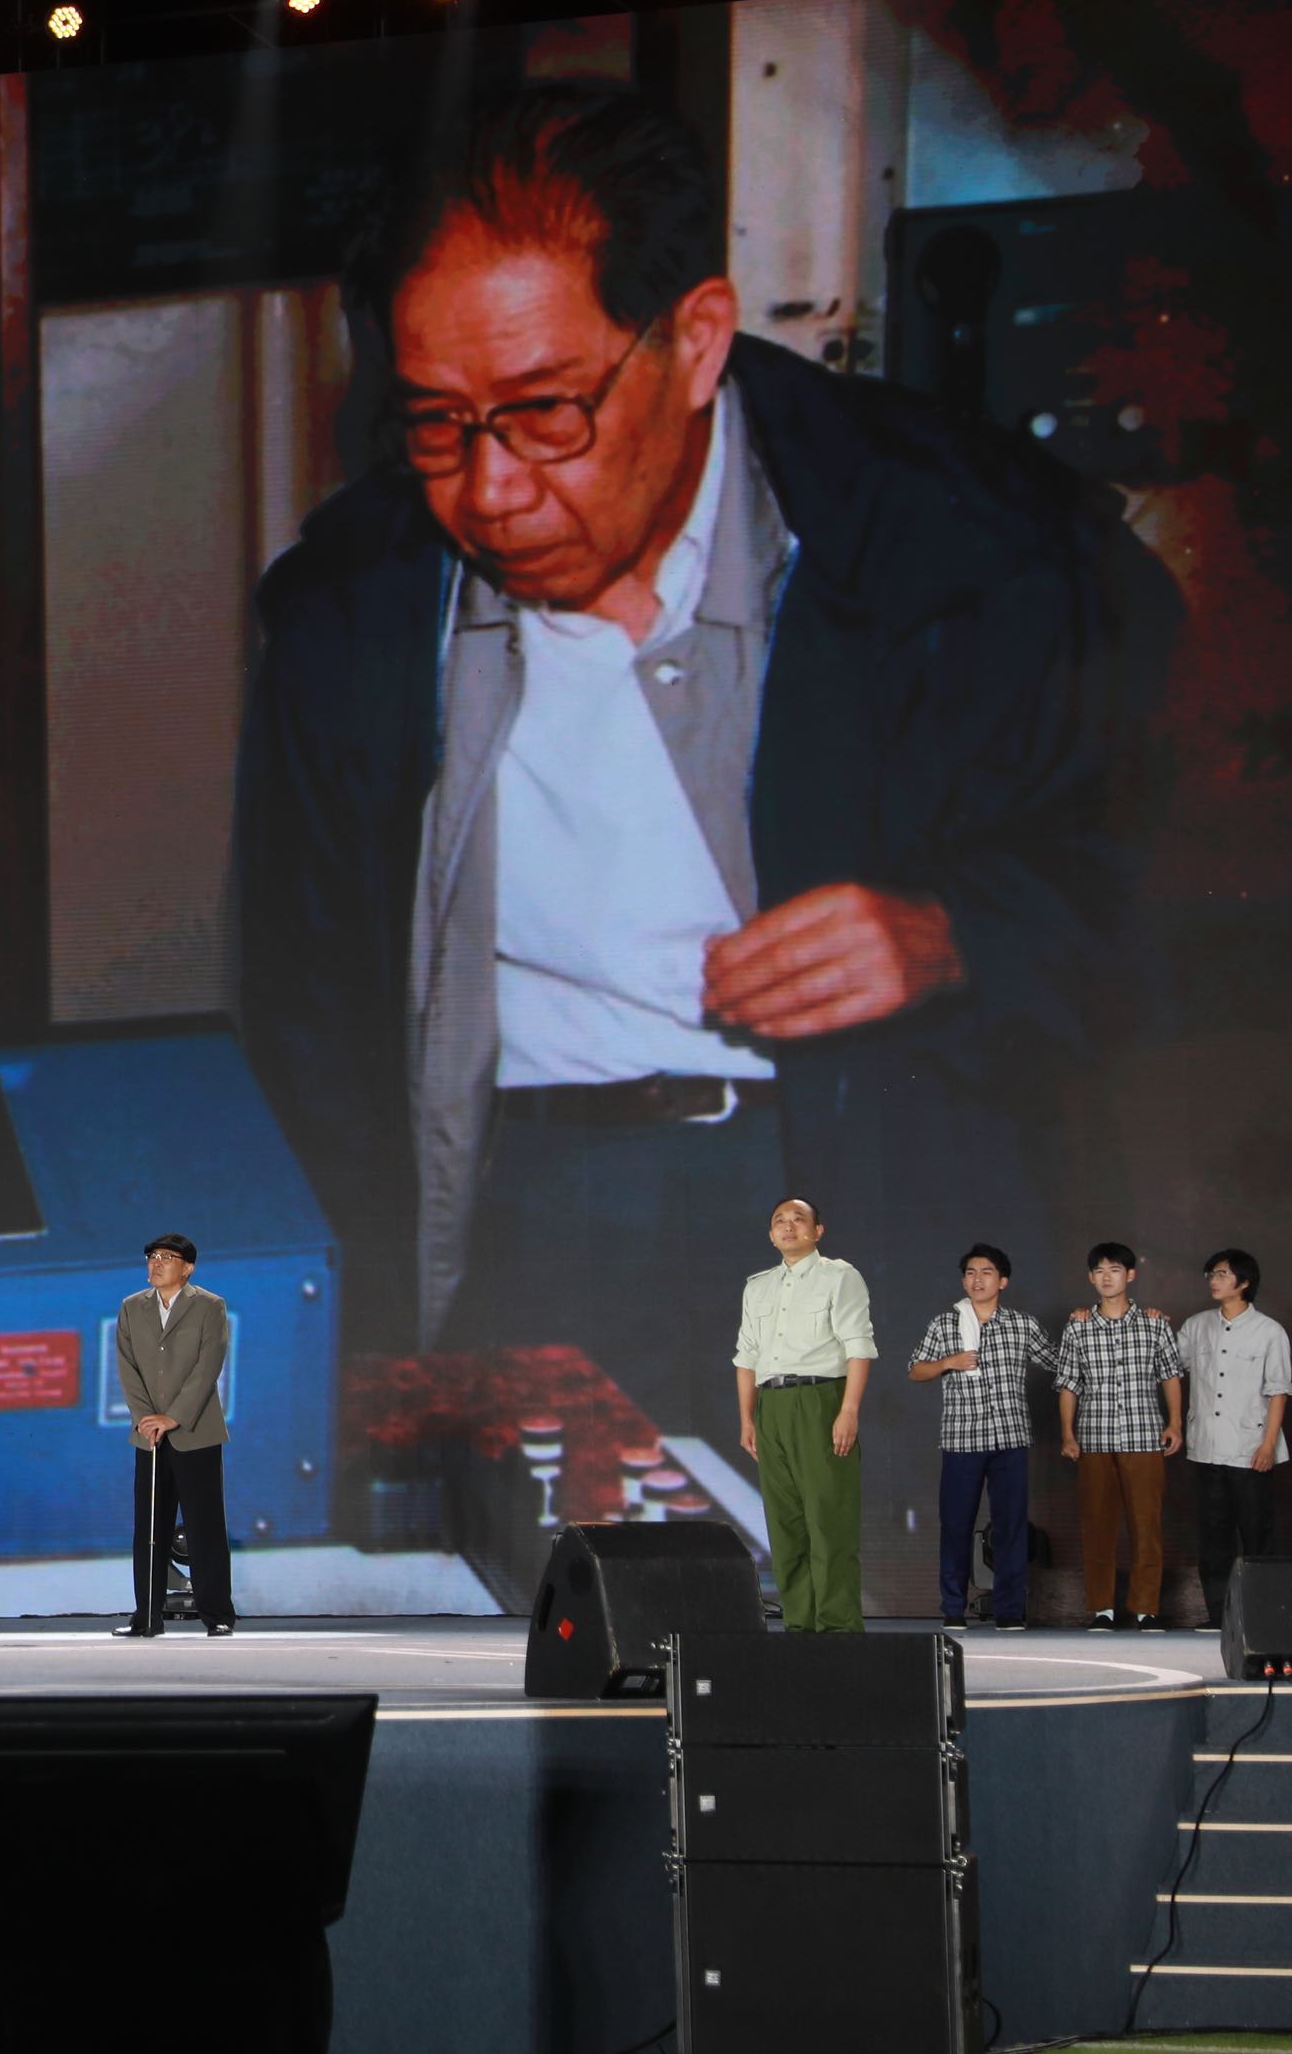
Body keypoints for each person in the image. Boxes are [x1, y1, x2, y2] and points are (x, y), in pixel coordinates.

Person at [237, 84, 1171, 1462]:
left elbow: (1161, 892)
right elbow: (307, 1015)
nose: (489, 491)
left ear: (695, 340)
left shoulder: (961, 543)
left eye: (546, 412)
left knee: (864, 1578)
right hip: (525, 1195)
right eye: (435, 422)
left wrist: (954, 933)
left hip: (854, 1177)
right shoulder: (354, 607)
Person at [733, 1198, 875, 1633]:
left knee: (828, 1520)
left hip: (820, 1400)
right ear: (770, 1235)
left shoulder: (839, 1276)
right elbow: (746, 1357)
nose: (788, 1226)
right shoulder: (758, 1286)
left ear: (818, 1231)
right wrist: (747, 1419)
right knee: (785, 1524)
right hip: (771, 1405)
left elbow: (858, 1346)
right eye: (779, 1221)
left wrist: (848, 1410)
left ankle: (838, 1628)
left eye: (799, 1220)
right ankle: (800, 1626)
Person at [905, 1246, 1056, 1629]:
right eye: (971, 1272)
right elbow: (915, 1370)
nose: (977, 1279)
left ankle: (1009, 1611)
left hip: (1010, 1438)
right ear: (963, 1280)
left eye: (986, 1272)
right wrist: (948, 1363)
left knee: (1011, 1526)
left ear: (1002, 1281)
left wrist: (1086, 1321)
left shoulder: (1022, 1324)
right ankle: (953, 1608)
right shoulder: (945, 1324)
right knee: (956, 1525)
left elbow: (1059, 1362)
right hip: (962, 1440)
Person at [1055, 1242, 1186, 1630]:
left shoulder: (1154, 1324)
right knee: (1097, 1526)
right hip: (1094, 1439)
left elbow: (1170, 1375)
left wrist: (1175, 1423)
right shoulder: (1077, 1326)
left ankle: (1146, 1608)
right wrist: (1068, 1433)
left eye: (1114, 1269)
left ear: (1130, 1275)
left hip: (1144, 1437)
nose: (1106, 1277)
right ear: (1090, 1278)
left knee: (1147, 1526)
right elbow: (1068, 1384)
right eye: (1099, 1271)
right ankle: (1102, 1609)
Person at [113, 1234, 236, 1638]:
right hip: (149, 1435)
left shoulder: (210, 1306)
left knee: (205, 1525)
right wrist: (146, 1418)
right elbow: (127, 1367)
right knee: (149, 1527)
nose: (156, 1263)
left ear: (188, 1268)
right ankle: (147, 1617)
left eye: (167, 1257)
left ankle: (217, 1614)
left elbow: (208, 1367)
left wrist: (173, 1417)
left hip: (195, 1430)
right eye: (152, 1256)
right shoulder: (132, 1307)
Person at [1175, 1248, 1289, 1633]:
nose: (1214, 1280)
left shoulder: (1269, 1331)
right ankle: (1218, 1614)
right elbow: (1168, 1365)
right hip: (1206, 1447)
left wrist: (1268, 1444)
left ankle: (1263, 1620)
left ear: (1244, 1282)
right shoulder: (1196, 1326)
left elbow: (1278, 1391)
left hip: (1250, 1448)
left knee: (1258, 1536)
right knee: (1214, 1536)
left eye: (1222, 1274)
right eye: (1212, 1273)